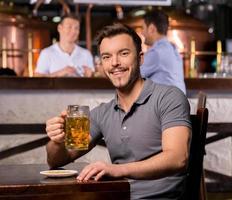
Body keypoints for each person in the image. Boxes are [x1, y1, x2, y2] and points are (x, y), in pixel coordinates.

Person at [45, 23, 191, 199]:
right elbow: (56, 160)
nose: (115, 63)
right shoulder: (102, 112)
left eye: (123, 53)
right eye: (107, 57)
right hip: (116, 196)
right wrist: (58, 140)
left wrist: (116, 170)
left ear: (140, 58)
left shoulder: (169, 97)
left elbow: (177, 158)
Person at [140, 10, 186, 94]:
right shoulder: (172, 48)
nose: (142, 33)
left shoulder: (157, 52)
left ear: (151, 29)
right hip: (176, 104)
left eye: (143, 28)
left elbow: (132, 76)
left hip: (168, 106)